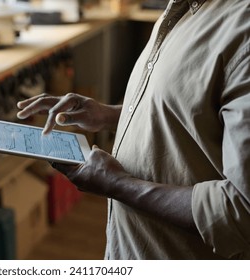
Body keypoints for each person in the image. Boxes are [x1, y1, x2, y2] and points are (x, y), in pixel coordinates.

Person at [16, 0, 250, 259]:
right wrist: (107, 114)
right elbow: (189, 111)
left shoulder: (242, 30)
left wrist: (119, 185)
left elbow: (242, 212)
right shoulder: (183, 9)